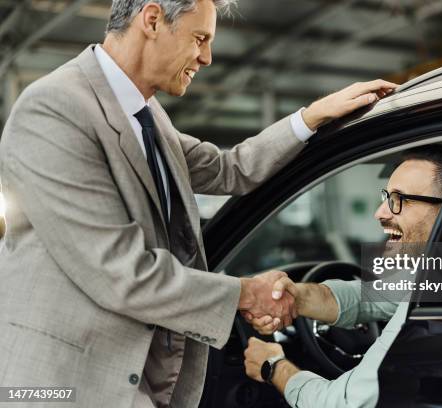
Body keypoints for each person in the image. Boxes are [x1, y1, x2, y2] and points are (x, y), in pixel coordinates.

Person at [0, 0, 397, 407]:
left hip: (137, 381)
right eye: (200, 38)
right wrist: (245, 293)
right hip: (64, 383)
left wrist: (312, 116)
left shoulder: (147, 117)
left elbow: (231, 169)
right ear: (152, 20)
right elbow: (119, 272)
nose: (206, 57)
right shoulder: (54, 109)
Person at [243, 146, 442, 408]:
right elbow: (370, 296)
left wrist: (272, 366)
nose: (380, 213)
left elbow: (342, 404)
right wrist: (294, 297)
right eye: (386, 197)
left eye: (399, 200)